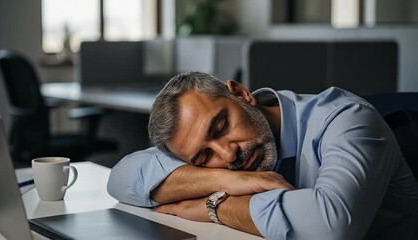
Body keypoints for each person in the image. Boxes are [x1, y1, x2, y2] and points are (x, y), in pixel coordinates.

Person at [107, 72, 418, 239]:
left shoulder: (345, 117)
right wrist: (228, 178)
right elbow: (121, 178)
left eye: (221, 125)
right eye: (203, 157)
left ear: (241, 94)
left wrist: (216, 205)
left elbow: (331, 225)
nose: (228, 153)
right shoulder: (219, 157)